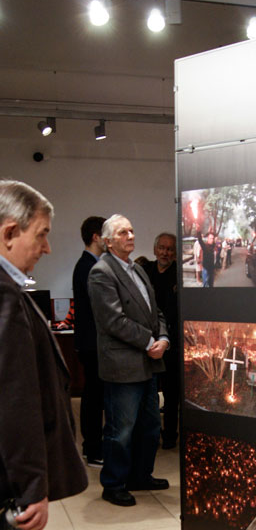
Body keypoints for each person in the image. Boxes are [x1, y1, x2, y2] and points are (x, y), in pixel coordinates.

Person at [0, 179, 88, 530]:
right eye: (41, 235)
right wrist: (32, 486)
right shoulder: (4, 297)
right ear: (9, 233)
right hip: (11, 477)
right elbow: (14, 403)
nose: (48, 247)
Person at [88, 215, 170, 507]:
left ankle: (140, 476)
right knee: (120, 430)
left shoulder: (138, 270)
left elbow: (155, 311)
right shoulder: (101, 272)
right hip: (123, 366)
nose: (131, 236)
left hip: (148, 363)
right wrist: (149, 342)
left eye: (132, 231)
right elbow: (113, 321)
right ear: (108, 241)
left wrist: (164, 338)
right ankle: (114, 484)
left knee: (150, 427)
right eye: (123, 232)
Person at [72, 216, 105, 466]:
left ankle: (91, 446)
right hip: (92, 343)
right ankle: (92, 449)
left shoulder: (90, 264)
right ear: (96, 236)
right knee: (93, 397)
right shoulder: (88, 266)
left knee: (94, 395)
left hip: (91, 342)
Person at [143, 232, 179, 449]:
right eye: (162, 248)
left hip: (173, 343)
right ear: (155, 249)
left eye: (170, 249)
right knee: (149, 392)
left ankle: (170, 436)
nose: (165, 252)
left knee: (171, 393)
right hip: (148, 341)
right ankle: (150, 435)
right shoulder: (145, 272)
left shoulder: (179, 275)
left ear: (175, 253)